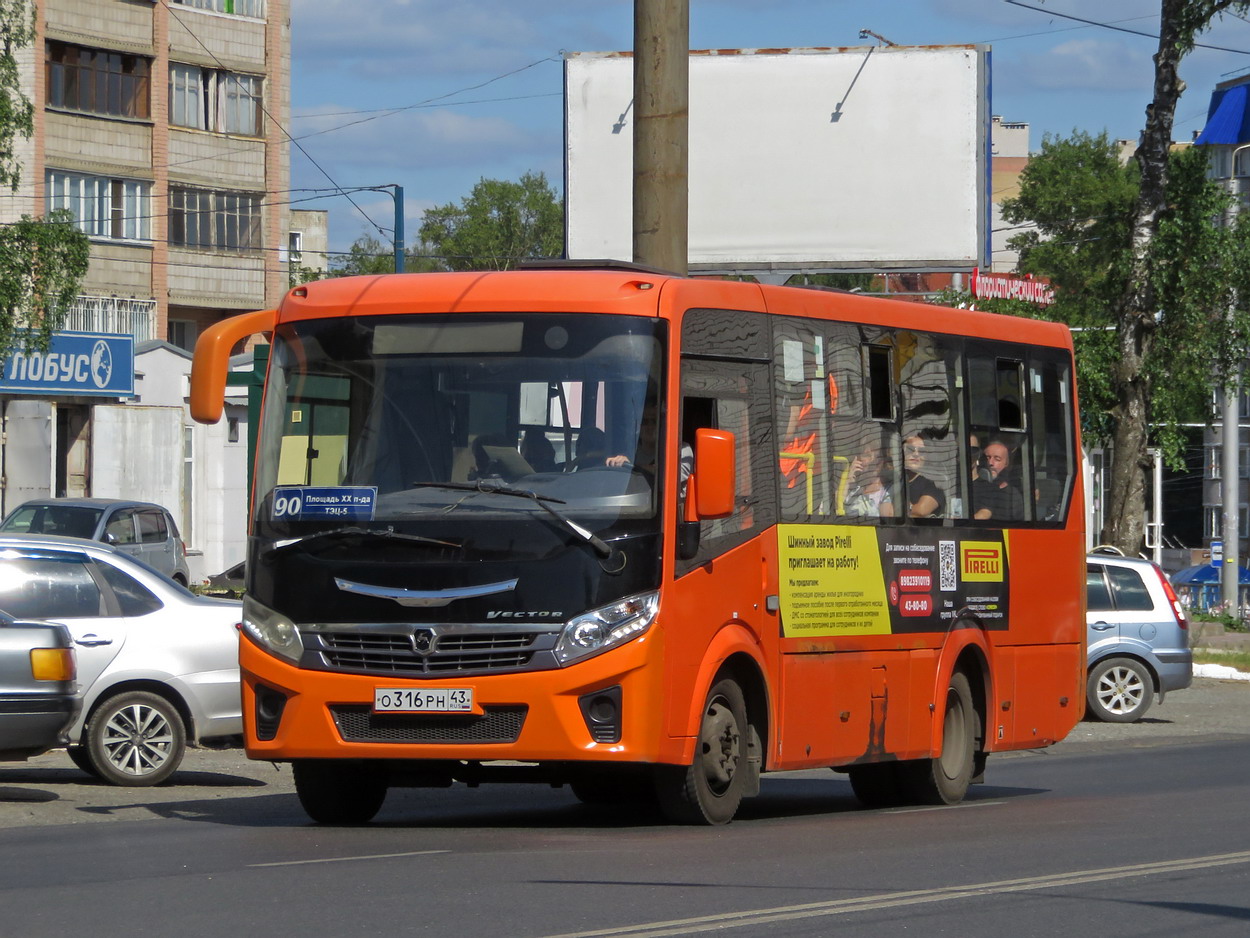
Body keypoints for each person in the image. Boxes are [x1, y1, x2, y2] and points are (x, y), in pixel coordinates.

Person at [844, 429, 895, 518]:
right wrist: (847, 481)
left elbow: (887, 521)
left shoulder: (888, 490)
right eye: (866, 455)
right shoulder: (853, 488)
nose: (872, 461)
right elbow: (833, 508)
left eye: (877, 456)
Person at [973, 439, 1025, 520]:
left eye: (997, 459)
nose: (990, 462)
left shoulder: (1012, 495)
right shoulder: (972, 486)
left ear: (1007, 464)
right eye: (987, 458)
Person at [901, 433, 946, 518]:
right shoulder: (894, 480)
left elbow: (921, 511)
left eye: (922, 451)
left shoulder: (935, 481)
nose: (916, 454)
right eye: (911, 449)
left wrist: (896, 509)